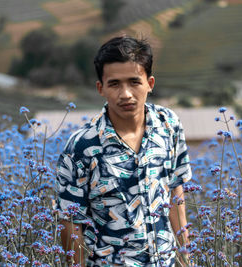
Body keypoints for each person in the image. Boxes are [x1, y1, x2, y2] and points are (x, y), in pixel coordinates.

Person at [55, 36, 192, 266]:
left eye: (134, 82)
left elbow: (175, 194)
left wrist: (186, 259)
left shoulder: (168, 125)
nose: (125, 94)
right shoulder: (81, 147)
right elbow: (70, 223)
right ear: (101, 88)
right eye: (115, 84)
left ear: (150, 83)